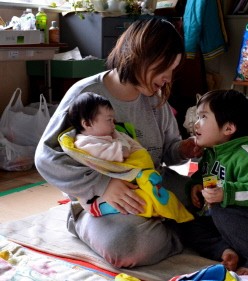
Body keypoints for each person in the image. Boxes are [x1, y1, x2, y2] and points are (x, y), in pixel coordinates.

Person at [34, 18, 202, 268]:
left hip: (152, 184)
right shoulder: (87, 95)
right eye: (164, 68)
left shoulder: (156, 100)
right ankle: (185, 232)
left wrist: (183, 149)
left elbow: (167, 153)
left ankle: (175, 224)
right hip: (102, 201)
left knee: (205, 198)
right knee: (125, 247)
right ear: (140, 55)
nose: (168, 78)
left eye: (172, 70)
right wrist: (102, 184)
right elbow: (46, 157)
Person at [181, 89, 248, 276]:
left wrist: (226, 193)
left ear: (228, 129)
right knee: (187, 220)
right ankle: (226, 251)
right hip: (228, 227)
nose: (196, 124)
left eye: (203, 117)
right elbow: (205, 176)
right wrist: (196, 185)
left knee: (220, 207)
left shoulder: (245, 156)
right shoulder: (211, 153)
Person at [60, 91, 193, 222]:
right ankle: (100, 208)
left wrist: (182, 150)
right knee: (140, 201)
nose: (114, 124)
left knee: (180, 192)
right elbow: (106, 154)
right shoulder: (84, 142)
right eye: (109, 120)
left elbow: (134, 146)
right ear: (87, 124)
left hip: (129, 180)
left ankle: (161, 207)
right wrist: (121, 149)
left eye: (113, 120)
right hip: (98, 196)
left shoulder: (112, 133)